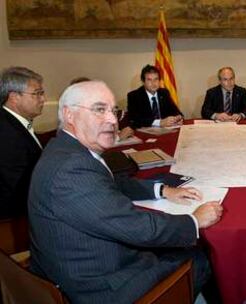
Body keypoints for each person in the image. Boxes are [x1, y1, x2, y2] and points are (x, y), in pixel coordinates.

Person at [28, 80, 223, 304]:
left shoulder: (66, 149)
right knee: (200, 256)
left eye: (113, 111)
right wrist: (193, 221)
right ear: (69, 115)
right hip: (98, 286)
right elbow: (138, 228)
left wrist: (163, 189)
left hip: (78, 264)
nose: (112, 120)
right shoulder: (70, 170)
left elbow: (109, 182)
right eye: (99, 110)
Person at [0, 66, 45, 219]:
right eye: (37, 94)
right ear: (14, 97)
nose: (43, 99)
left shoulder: (13, 122)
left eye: (42, 93)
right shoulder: (8, 133)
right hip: (16, 219)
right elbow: (20, 186)